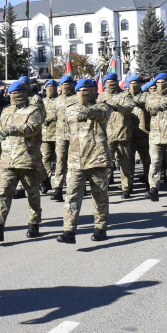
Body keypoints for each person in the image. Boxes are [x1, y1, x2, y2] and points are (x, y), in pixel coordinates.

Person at [0, 80, 43, 242]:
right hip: (7, 160)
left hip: (27, 159)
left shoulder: (34, 111)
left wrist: (13, 130)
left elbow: (32, 129)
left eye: (18, 94)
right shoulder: (6, 111)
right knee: (3, 194)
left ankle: (34, 223)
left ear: (24, 94)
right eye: (12, 94)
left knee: (32, 194)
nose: (14, 96)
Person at [58, 78, 113, 244]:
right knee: (72, 196)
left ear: (94, 90)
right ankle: (69, 231)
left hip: (97, 159)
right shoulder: (70, 109)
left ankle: (100, 228)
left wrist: (88, 113)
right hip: (75, 160)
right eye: (80, 89)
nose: (83, 92)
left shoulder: (103, 105)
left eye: (86, 89)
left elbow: (101, 113)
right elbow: (66, 133)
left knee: (100, 196)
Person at [143, 73, 167, 202]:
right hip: (155, 136)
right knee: (155, 163)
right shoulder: (150, 97)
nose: (160, 84)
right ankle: (153, 188)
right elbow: (147, 112)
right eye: (158, 82)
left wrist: (160, 106)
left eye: (163, 82)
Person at [100, 73, 136, 198]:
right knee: (106, 164)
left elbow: (129, 108)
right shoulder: (101, 96)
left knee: (124, 163)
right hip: (105, 136)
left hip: (122, 134)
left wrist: (116, 107)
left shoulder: (125, 95)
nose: (111, 84)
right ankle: (104, 187)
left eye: (113, 82)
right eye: (108, 82)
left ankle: (126, 188)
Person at [51, 75, 76, 202]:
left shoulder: (78, 99)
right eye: (63, 84)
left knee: (74, 163)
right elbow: (52, 117)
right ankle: (58, 189)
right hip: (60, 136)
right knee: (60, 162)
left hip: (75, 136)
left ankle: (75, 188)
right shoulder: (57, 101)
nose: (65, 86)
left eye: (68, 83)